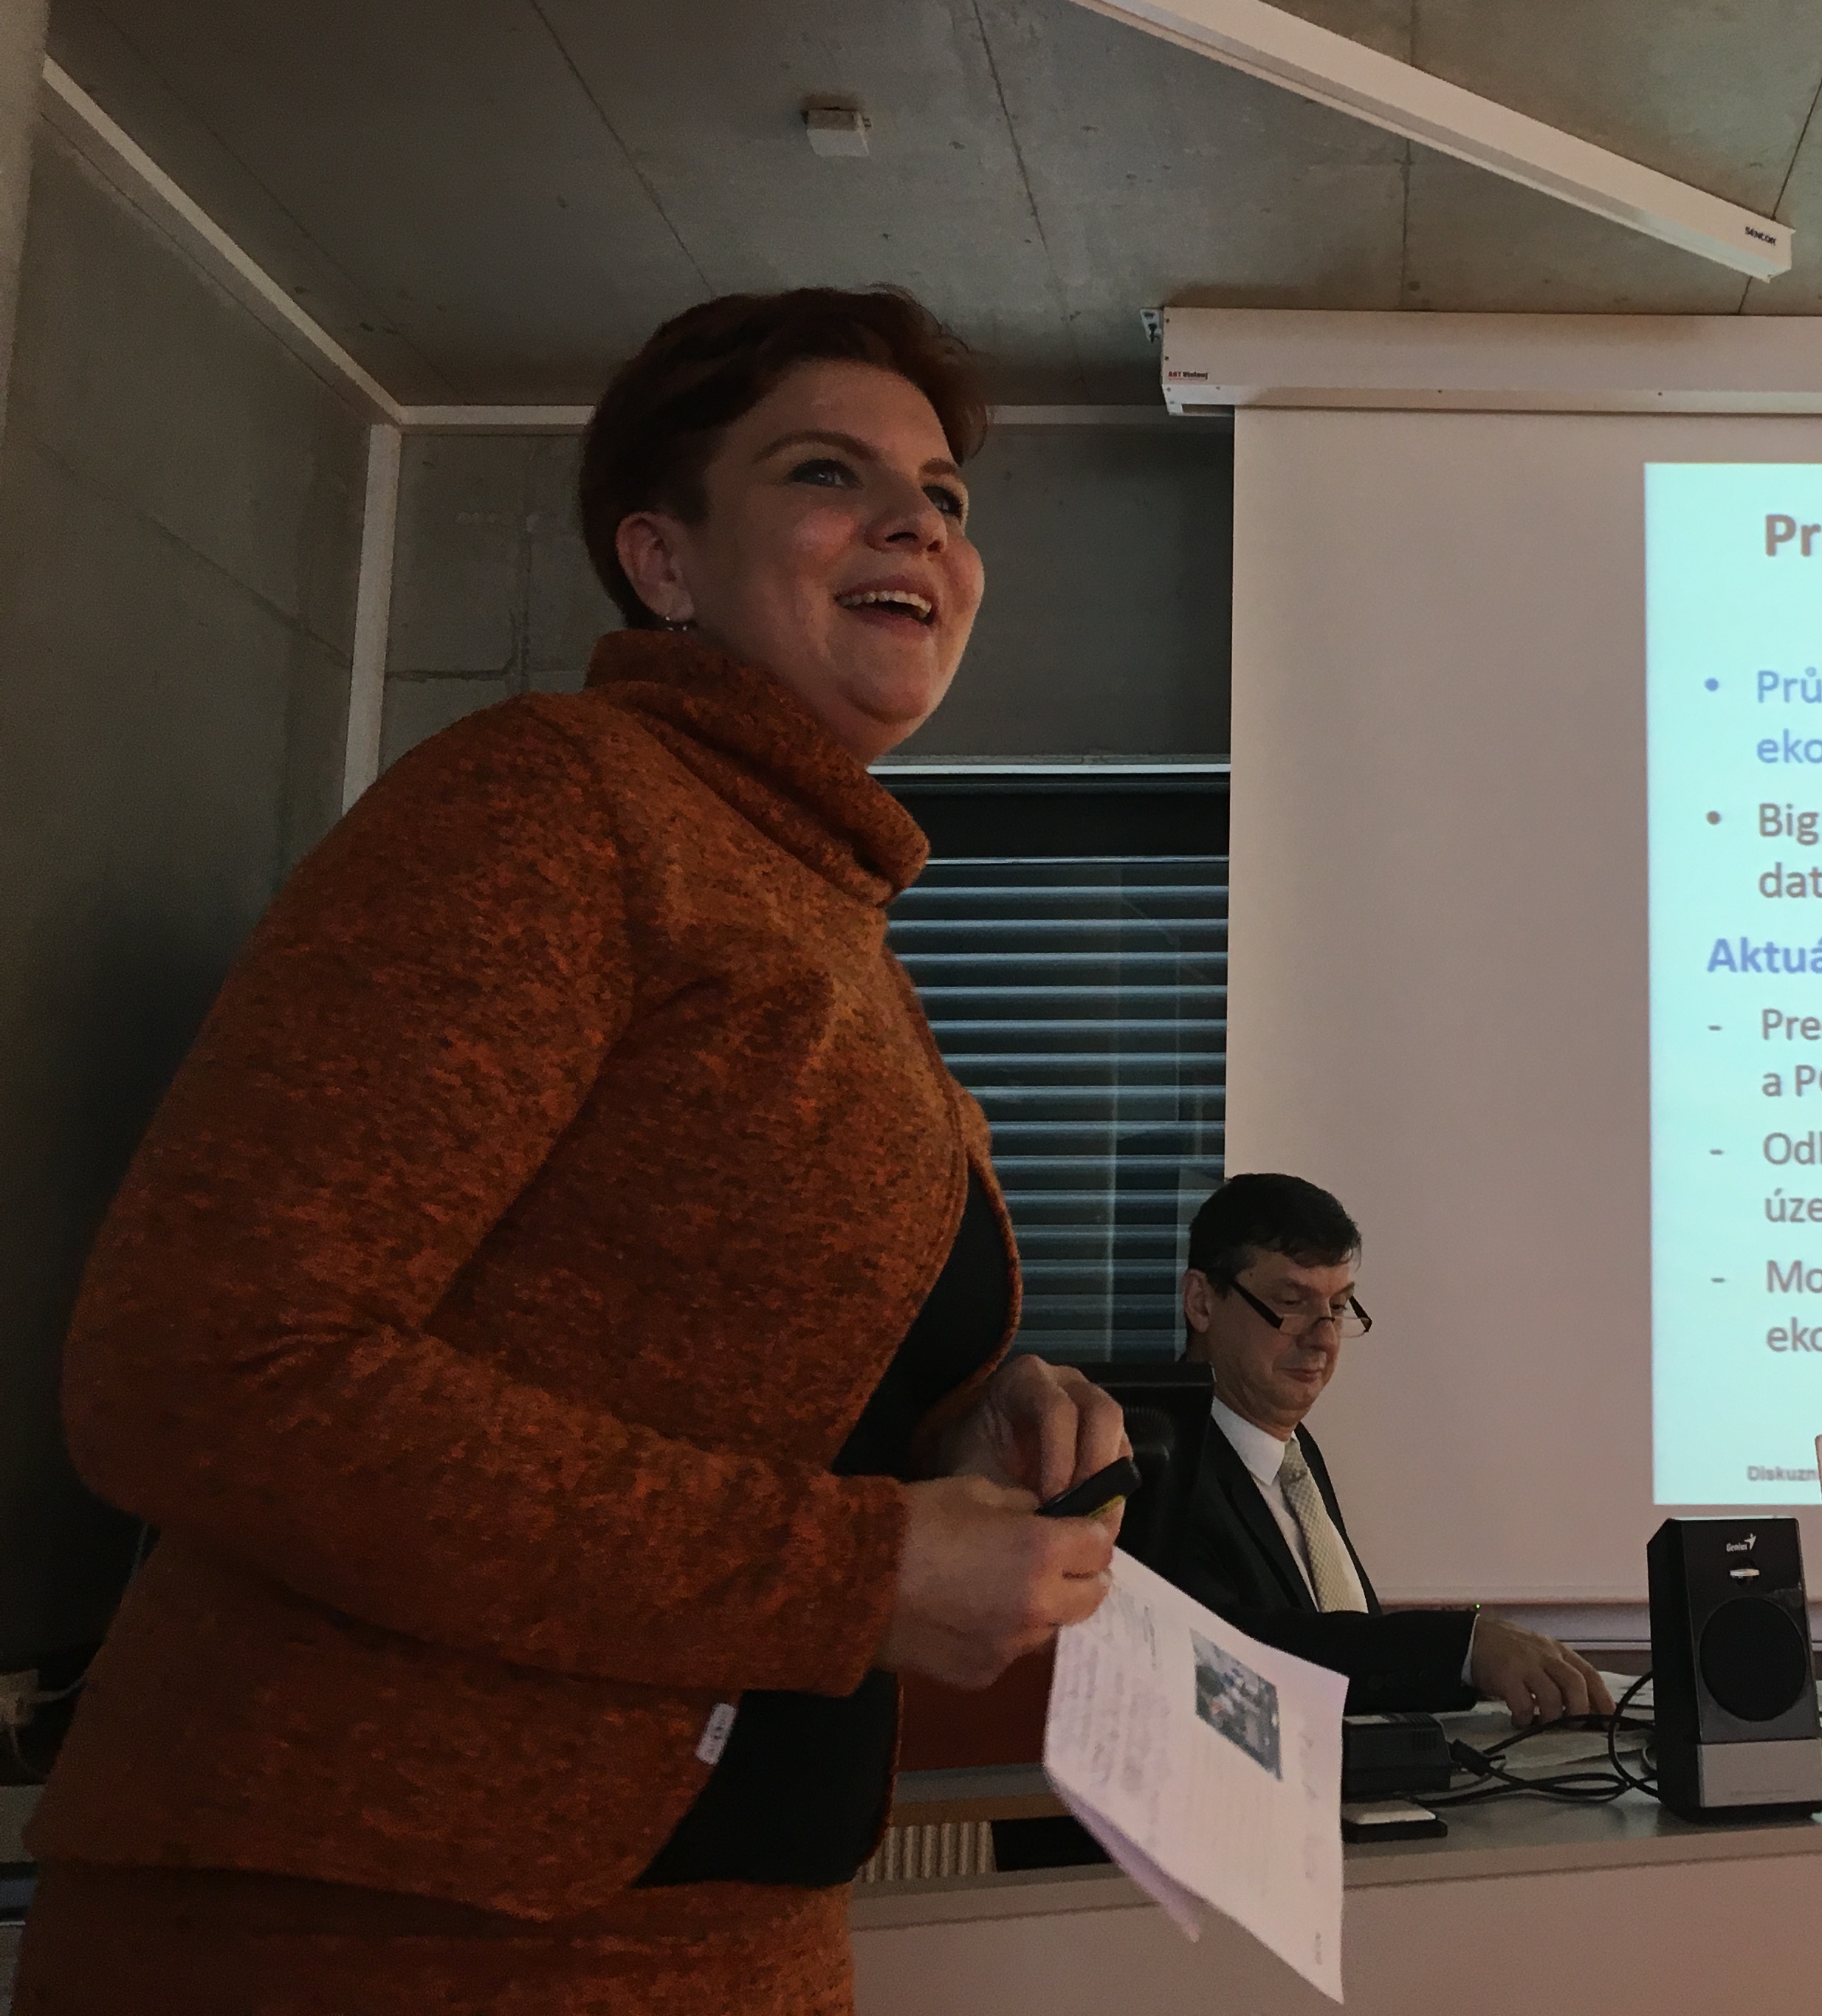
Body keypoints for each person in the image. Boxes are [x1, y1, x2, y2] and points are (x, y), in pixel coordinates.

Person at [13, 289, 1126, 2016]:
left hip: (731, 1932)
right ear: (661, 559)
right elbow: (204, 1368)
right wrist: (854, 1569)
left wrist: (957, 1429)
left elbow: (711, 1381)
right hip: (373, 1936)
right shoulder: (552, 804)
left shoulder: (833, 916)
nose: (919, 525)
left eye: (944, 496)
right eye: (826, 473)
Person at [1149, 1172, 1613, 1726]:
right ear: (1201, 1302)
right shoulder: (1155, 1465)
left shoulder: (1292, 1452)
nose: (1322, 1338)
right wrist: (1463, 1649)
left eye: (1338, 1307)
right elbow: (1224, 1652)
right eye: (1291, 1303)